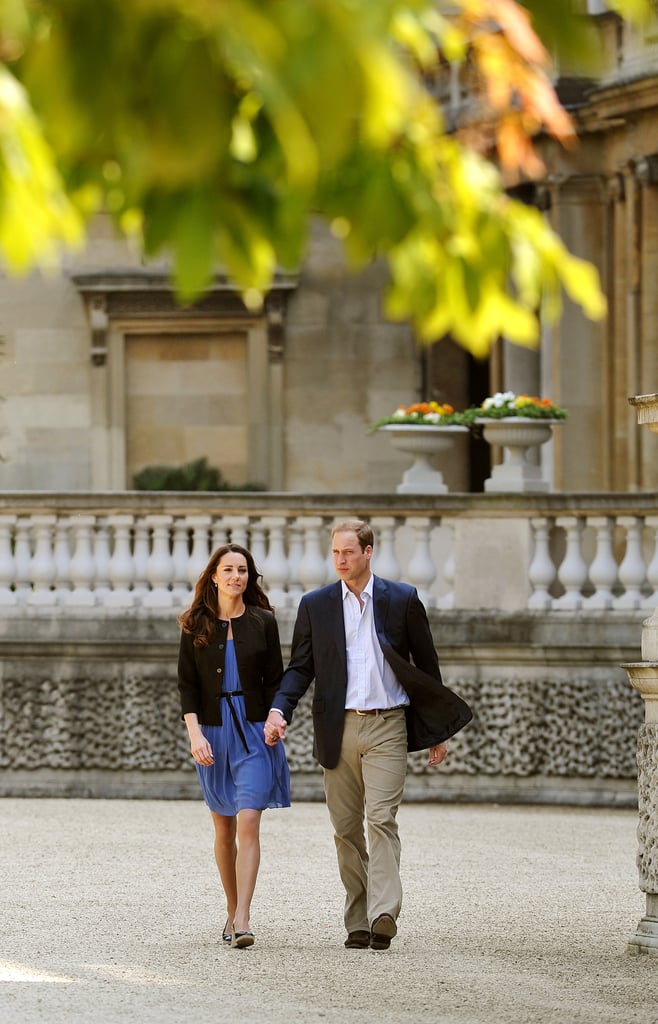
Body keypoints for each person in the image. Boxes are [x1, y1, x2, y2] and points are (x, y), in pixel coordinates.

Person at [264, 519, 472, 951]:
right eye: (335, 552)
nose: (341, 560)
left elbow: (426, 666)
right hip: (337, 727)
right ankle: (357, 918)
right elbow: (301, 667)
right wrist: (278, 709)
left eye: (348, 552)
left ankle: (383, 913)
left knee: (380, 818)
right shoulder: (316, 604)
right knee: (345, 829)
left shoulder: (402, 599)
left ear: (368, 552)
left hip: (387, 725)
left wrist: (438, 729)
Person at [178, 543, 290, 950]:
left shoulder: (263, 621)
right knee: (223, 827)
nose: (236, 577)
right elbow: (186, 687)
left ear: (249, 577)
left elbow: (278, 680)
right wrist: (195, 736)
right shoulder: (195, 623)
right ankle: (230, 908)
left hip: (256, 731)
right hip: (212, 733)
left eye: (242, 570)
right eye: (228, 569)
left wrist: (279, 717)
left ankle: (244, 917)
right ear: (214, 576)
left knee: (248, 821)